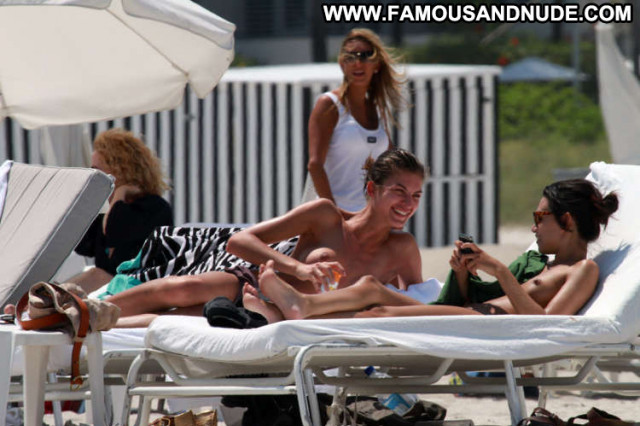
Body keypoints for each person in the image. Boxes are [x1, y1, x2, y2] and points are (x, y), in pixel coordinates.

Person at [101, 148, 426, 327]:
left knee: (172, 322)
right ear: (372, 189)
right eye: (399, 191)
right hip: (253, 284)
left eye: (416, 195)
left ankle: (95, 322)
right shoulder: (326, 215)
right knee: (184, 288)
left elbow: (418, 302)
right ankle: (91, 309)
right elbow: (240, 242)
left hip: (280, 316)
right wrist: (298, 269)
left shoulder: (402, 249)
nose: (408, 204)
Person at [243, 179, 618, 321]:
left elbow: (548, 324)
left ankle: (294, 312)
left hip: (482, 324)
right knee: (371, 287)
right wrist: (465, 273)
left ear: (567, 221)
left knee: (380, 313)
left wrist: (500, 271)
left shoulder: (583, 270)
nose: (534, 226)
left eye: (540, 217)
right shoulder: (544, 265)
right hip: (471, 313)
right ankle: (293, 310)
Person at [307, 28, 405, 213]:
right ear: (342, 64)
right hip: (334, 216)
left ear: (377, 65)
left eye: (366, 56)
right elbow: (315, 165)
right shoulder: (329, 104)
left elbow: (390, 163)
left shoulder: (377, 109)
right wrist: (336, 216)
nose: (358, 63)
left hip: (371, 215)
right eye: (351, 56)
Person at [69, 128, 173, 292]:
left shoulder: (153, 208)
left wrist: (119, 193)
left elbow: (115, 234)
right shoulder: (106, 208)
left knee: (96, 275)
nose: (93, 175)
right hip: (109, 289)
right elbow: (83, 245)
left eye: (98, 170)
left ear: (121, 170)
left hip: (138, 289)